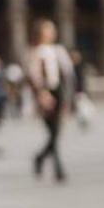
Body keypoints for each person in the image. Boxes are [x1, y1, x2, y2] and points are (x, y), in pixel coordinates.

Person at [26, 19, 75, 182]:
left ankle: (40, 158)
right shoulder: (35, 52)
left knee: (56, 131)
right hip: (45, 93)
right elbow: (33, 76)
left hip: (58, 92)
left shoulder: (59, 50)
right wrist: (41, 94)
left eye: (52, 29)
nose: (51, 32)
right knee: (53, 131)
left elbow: (68, 74)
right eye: (48, 30)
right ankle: (58, 169)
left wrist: (68, 98)